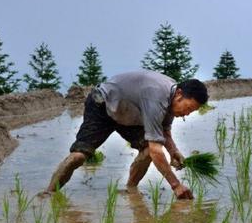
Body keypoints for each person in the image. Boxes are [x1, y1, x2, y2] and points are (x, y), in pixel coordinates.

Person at [47, 70, 208, 199]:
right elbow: (156, 150)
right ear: (179, 94)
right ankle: (49, 193)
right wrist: (176, 185)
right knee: (78, 156)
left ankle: (130, 190)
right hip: (103, 106)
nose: (186, 114)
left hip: (129, 115)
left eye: (191, 112)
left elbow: (164, 130)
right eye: (188, 108)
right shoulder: (156, 97)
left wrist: (174, 152)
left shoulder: (172, 100)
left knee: (146, 152)